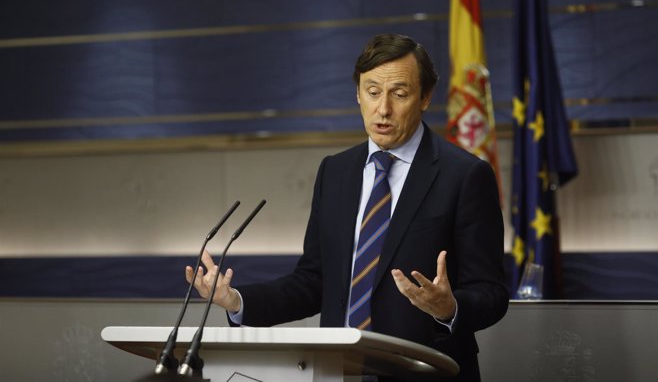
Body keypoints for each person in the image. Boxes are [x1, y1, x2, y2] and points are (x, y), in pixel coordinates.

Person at [187, 34, 508, 382]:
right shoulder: (336, 171)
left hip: (427, 371)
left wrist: (450, 308)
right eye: (372, 92)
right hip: (339, 371)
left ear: (425, 97)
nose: (382, 108)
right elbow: (313, 282)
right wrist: (236, 300)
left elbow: (491, 293)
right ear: (357, 94)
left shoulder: (464, 175)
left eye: (399, 94)